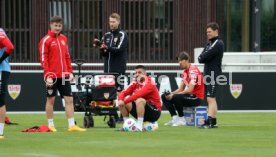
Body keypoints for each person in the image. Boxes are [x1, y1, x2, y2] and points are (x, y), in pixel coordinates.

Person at [39, 16, 86, 132]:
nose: (57, 28)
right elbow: (43, 59)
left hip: (64, 75)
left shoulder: (64, 39)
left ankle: (72, 125)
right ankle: (50, 125)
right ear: (51, 25)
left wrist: (70, 72)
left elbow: (67, 57)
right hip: (52, 77)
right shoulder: (45, 40)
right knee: (51, 100)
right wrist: (48, 75)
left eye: (59, 26)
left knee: (69, 99)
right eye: (55, 25)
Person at [93, 13, 128, 123]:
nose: (111, 24)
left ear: (118, 22)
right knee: (109, 93)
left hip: (118, 68)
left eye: (113, 22)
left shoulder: (122, 34)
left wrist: (106, 47)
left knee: (119, 92)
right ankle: (113, 116)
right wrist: (100, 48)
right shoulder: (106, 35)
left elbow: (119, 49)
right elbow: (104, 54)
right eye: (110, 22)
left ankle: (123, 116)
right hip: (107, 69)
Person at [162, 52, 204, 126]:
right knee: (164, 96)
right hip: (189, 96)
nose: (179, 63)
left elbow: (190, 89)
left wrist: (174, 95)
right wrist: (171, 94)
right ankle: (175, 119)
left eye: (181, 60)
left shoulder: (193, 70)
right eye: (178, 61)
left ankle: (182, 119)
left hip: (197, 98)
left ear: (187, 60)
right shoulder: (185, 72)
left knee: (176, 97)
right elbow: (181, 89)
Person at [118, 65, 161, 131]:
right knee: (123, 100)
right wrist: (121, 100)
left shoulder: (149, 82)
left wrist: (124, 101)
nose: (137, 74)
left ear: (145, 74)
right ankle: (125, 125)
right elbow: (123, 92)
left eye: (139, 72)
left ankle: (139, 127)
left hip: (154, 112)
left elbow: (138, 95)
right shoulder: (135, 82)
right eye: (136, 73)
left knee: (139, 100)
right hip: (142, 110)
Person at [198, 22, 224, 128]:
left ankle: (209, 121)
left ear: (216, 31)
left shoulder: (218, 43)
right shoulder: (209, 44)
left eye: (209, 31)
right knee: (211, 98)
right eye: (207, 32)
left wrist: (204, 56)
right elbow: (200, 58)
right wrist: (204, 56)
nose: (207, 34)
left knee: (210, 98)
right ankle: (213, 122)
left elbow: (204, 57)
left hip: (214, 74)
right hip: (208, 74)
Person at [0, 28, 14, 139]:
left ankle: (0, 132)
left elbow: (10, 47)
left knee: (0, 100)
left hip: (1, 70)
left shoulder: (0, 32)